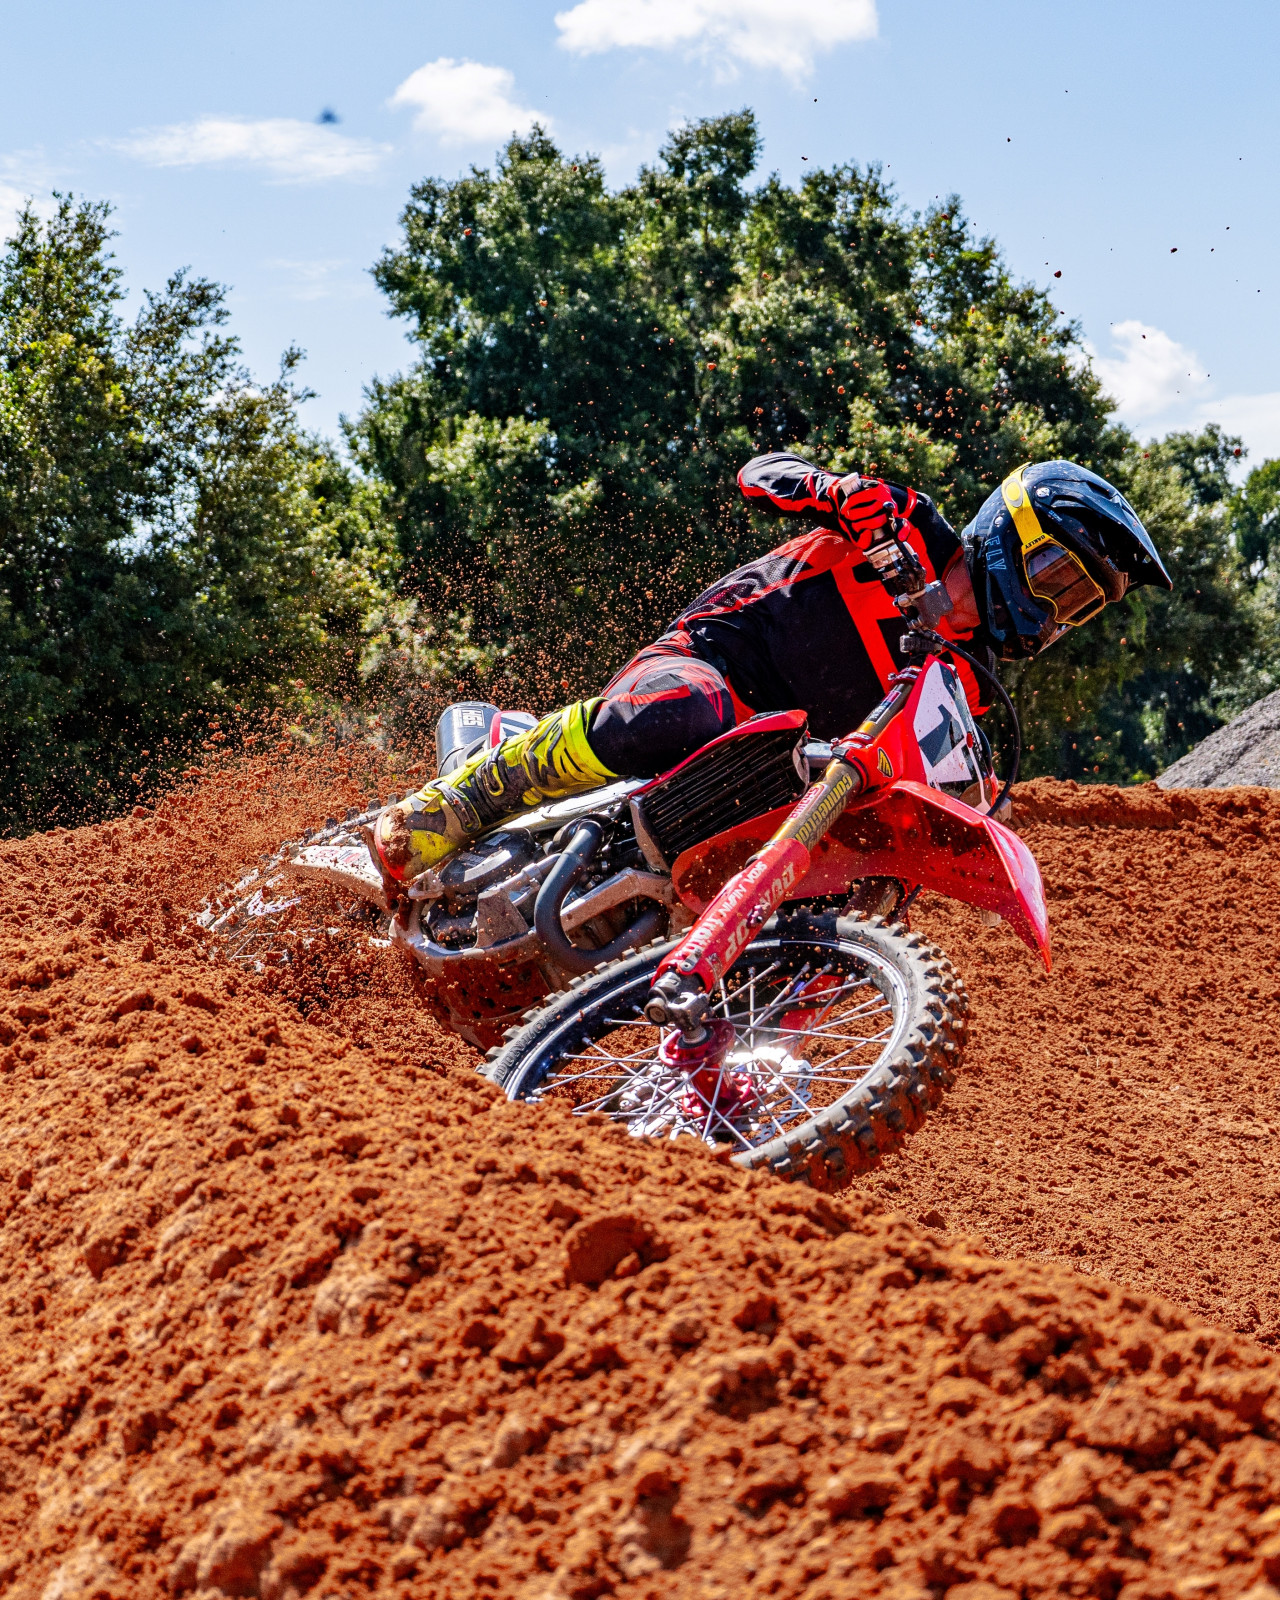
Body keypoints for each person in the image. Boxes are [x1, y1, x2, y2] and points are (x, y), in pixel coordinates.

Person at [372, 454, 1171, 883]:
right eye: (1058, 579)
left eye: (1078, 605)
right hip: (706, 666)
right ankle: (472, 794)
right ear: (1009, 534)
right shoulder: (903, 523)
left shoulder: (968, 683)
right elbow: (759, 472)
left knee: (859, 875)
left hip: (777, 780)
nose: (1055, 612)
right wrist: (834, 491)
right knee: (692, 712)